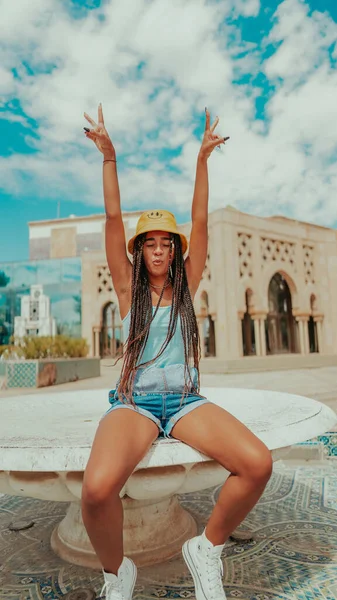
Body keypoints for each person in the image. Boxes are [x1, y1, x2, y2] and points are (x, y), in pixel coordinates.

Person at [81, 104, 273, 600]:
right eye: (152, 244)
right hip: (137, 405)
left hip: (185, 403)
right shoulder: (127, 290)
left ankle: (206, 549)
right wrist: (109, 158)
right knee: (98, 488)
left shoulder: (189, 288)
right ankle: (115, 573)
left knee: (257, 464)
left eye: (169, 244)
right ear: (140, 251)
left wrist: (203, 159)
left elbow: (202, 220)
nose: (161, 251)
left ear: (177, 251)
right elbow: (111, 216)